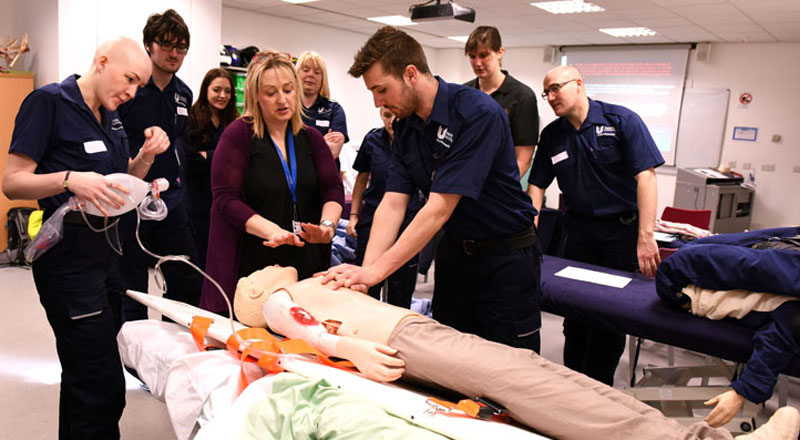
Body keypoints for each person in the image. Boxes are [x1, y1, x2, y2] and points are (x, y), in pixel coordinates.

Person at [231, 265, 800, 440]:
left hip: (412, 334)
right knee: (534, 388)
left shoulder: (308, 283)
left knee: (530, 372)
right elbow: (287, 316)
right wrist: (344, 344)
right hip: (400, 342)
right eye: (257, 278)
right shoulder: (278, 298)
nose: (265, 272)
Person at [324, 26, 542, 352]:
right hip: (455, 255)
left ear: (410, 74)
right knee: (450, 359)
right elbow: (392, 204)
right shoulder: (407, 126)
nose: (376, 103)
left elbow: (439, 208)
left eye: (382, 90)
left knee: (507, 366)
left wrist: (374, 272)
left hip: (505, 258)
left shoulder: (477, 113)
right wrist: (365, 278)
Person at [2, 37, 170, 439]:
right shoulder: (49, 103)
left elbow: (115, 182)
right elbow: (12, 181)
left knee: (84, 375)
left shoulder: (110, 118)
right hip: (67, 261)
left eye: (138, 86)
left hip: (108, 257)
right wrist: (68, 179)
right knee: (101, 384)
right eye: (128, 79)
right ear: (101, 61)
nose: (130, 93)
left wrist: (145, 163)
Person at [527, 65, 664, 385]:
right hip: (578, 233)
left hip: (620, 234)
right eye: (546, 92)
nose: (550, 97)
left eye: (556, 89)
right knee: (575, 315)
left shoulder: (622, 121)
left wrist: (646, 236)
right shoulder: (552, 135)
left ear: (578, 84)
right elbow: (536, 187)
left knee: (609, 316)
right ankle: (574, 383)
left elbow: (646, 176)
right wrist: (527, 231)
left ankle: (600, 387)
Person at [198, 50, 344, 315]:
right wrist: (271, 231)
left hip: (303, 263)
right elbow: (225, 199)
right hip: (253, 264)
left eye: (288, 90)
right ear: (255, 96)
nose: (282, 99)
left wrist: (327, 226)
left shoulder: (311, 138)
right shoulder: (238, 136)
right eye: (271, 92)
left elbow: (332, 188)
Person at [117, 9, 202, 321]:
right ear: (149, 45)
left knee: (186, 278)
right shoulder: (131, 91)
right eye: (166, 45)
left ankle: (171, 343)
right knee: (132, 285)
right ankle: (130, 357)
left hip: (170, 198)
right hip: (129, 198)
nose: (174, 53)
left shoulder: (183, 94)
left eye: (181, 48)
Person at [347, 106, 423, 308]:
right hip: (372, 217)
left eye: (397, 116)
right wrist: (354, 215)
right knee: (365, 284)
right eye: (387, 116)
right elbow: (361, 180)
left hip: (408, 220)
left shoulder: (416, 141)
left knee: (401, 287)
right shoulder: (372, 140)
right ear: (380, 113)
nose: (392, 121)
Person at [463, 26, 539, 179]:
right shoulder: (464, 94)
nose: (477, 63)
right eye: (472, 56)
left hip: (501, 185)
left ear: (500, 52)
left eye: (484, 55)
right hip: (466, 180)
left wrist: (505, 188)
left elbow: (523, 159)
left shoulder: (523, 96)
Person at [186, 68, 239, 268]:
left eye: (227, 91)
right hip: (198, 198)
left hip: (225, 196)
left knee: (223, 258)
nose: (222, 95)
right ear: (206, 90)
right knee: (200, 256)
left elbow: (241, 157)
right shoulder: (192, 118)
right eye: (217, 89)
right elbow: (189, 160)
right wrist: (224, 155)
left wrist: (207, 154)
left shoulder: (235, 121)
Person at [296, 51, 349, 169]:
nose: (310, 75)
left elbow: (333, 151)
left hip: (325, 176)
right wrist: (321, 143)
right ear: (297, 74)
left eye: (317, 72)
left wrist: (299, 146)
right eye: (305, 70)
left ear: (322, 78)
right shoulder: (287, 108)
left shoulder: (334, 109)